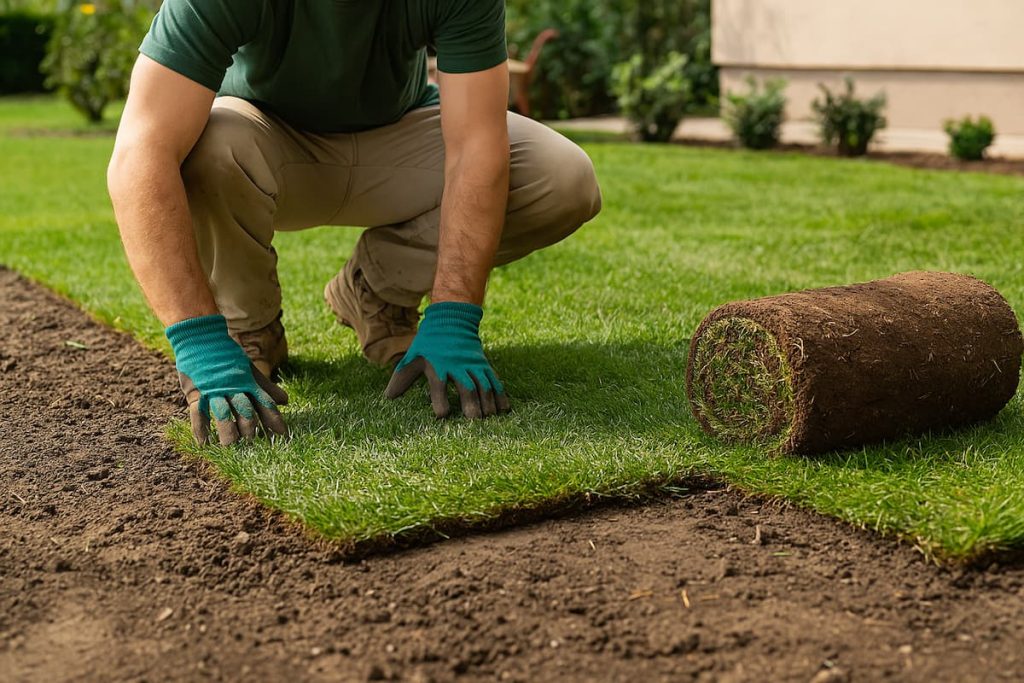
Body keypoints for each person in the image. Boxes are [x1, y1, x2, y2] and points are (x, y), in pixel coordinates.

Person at [107, 0, 602, 446]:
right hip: (262, 144)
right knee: (203, 149)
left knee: (561, 177)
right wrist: (199, 344)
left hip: (399, 137)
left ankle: (375, 289)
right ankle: (247, 331)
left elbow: (477, 146)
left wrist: (455, 315)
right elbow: (141, 152)